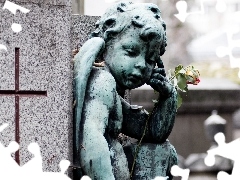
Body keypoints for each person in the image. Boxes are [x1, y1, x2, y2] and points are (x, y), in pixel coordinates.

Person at [73, 1, 178, 179]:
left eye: (150, 60)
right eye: (131, 52)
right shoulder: (102, 82)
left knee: (162, 151)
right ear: (107, 43)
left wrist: (168, 96)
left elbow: (153, 133)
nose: (141, 65)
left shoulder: (114, 93)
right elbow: (91, 142)